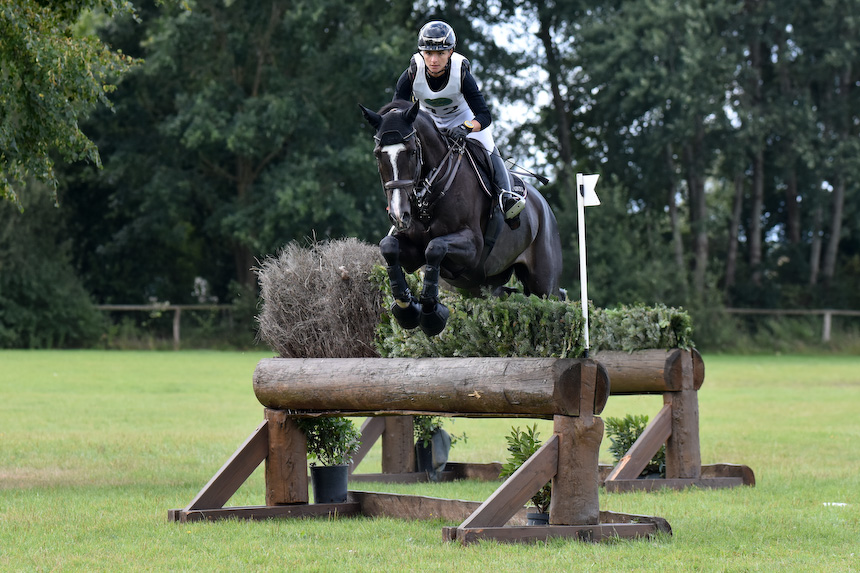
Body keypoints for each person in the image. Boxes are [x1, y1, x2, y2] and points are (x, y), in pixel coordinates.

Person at [393, 20, 526, 228]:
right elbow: (397, 111)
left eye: (440, 53)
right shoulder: (412, 72)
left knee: (488, 147)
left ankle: (506, 197)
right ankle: (397, 205)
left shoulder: (461, 72)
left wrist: (466, 127)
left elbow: (484, 115)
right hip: (428, 124)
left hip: (462, 119)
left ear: (451, 52)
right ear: (421, 53)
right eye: (428, 53)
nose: (433, 60)